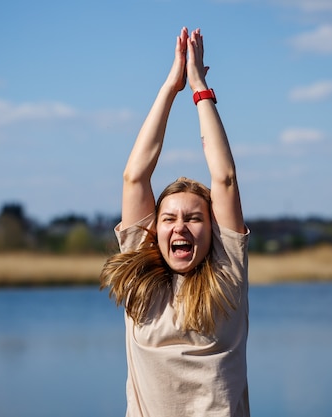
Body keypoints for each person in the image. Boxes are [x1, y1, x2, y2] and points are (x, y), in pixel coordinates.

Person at [100, 27, 250, 417]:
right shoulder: (140, 282)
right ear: (155, 231)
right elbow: (134, 177)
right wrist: (171, 85)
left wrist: (199, 86)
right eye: (168, 218)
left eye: (193, 218)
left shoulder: (226, 275)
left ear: (213, 230)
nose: (180, 227)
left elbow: (226, 179)